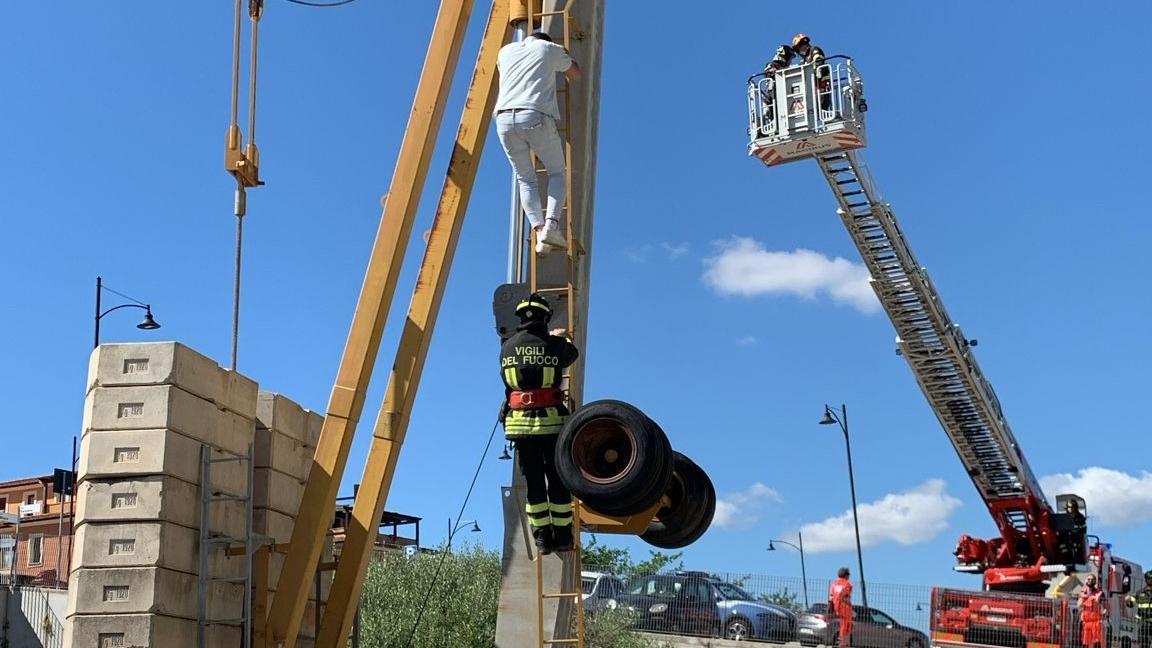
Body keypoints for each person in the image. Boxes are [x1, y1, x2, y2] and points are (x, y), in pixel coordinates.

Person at [499, 293, 580, 553]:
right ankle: (564, 538)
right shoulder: (553, 344)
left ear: (520, 318)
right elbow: (571, 354)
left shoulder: (507, 347)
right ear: (545, 318)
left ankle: (542, 539)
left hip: (520, 429)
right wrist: (560, 337)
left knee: (534, 484)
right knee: (557, 481)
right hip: (553, 427)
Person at [494, 30, 582, 254]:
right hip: (534, 114)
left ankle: (538, 229)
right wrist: (565, 56)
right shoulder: (549, 49)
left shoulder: (505, 51)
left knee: (525, 179)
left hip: (504, 119)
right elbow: (575, 73)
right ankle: (551, 226)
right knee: (556, 172)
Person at [1079, 574, 1107, 648]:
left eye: (1092, 579)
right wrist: (1084, 598)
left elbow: (1105, 607)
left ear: (1095, 581)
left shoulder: (1100, 593)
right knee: (1085, 643)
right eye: (1088, 579)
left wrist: (1104, 613)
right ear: (1086, 581)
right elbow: (1079, 605)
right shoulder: (1083, 592)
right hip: (1086, 621)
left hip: (1096, 622)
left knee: (1096, 642)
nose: (1090, 581)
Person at [829, 567, 854, 648]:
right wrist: (850, 605)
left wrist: (831, 609)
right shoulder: (848, 584)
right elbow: (846, 597)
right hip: (845, 607)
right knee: (846, 626)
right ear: (846, 575)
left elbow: (831, 597)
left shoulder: (833, 584)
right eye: (848, 575)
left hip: (836, 606)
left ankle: (842, 642)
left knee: (842, 625)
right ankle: (844, 644)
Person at [1127, 570, 1152, 648]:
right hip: (1143, 623)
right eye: (1149, 578)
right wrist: (1128, 601)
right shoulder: (1140, 592)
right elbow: (1130, 604)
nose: (1150, 580)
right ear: (1146, 579)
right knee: (1143, 644)